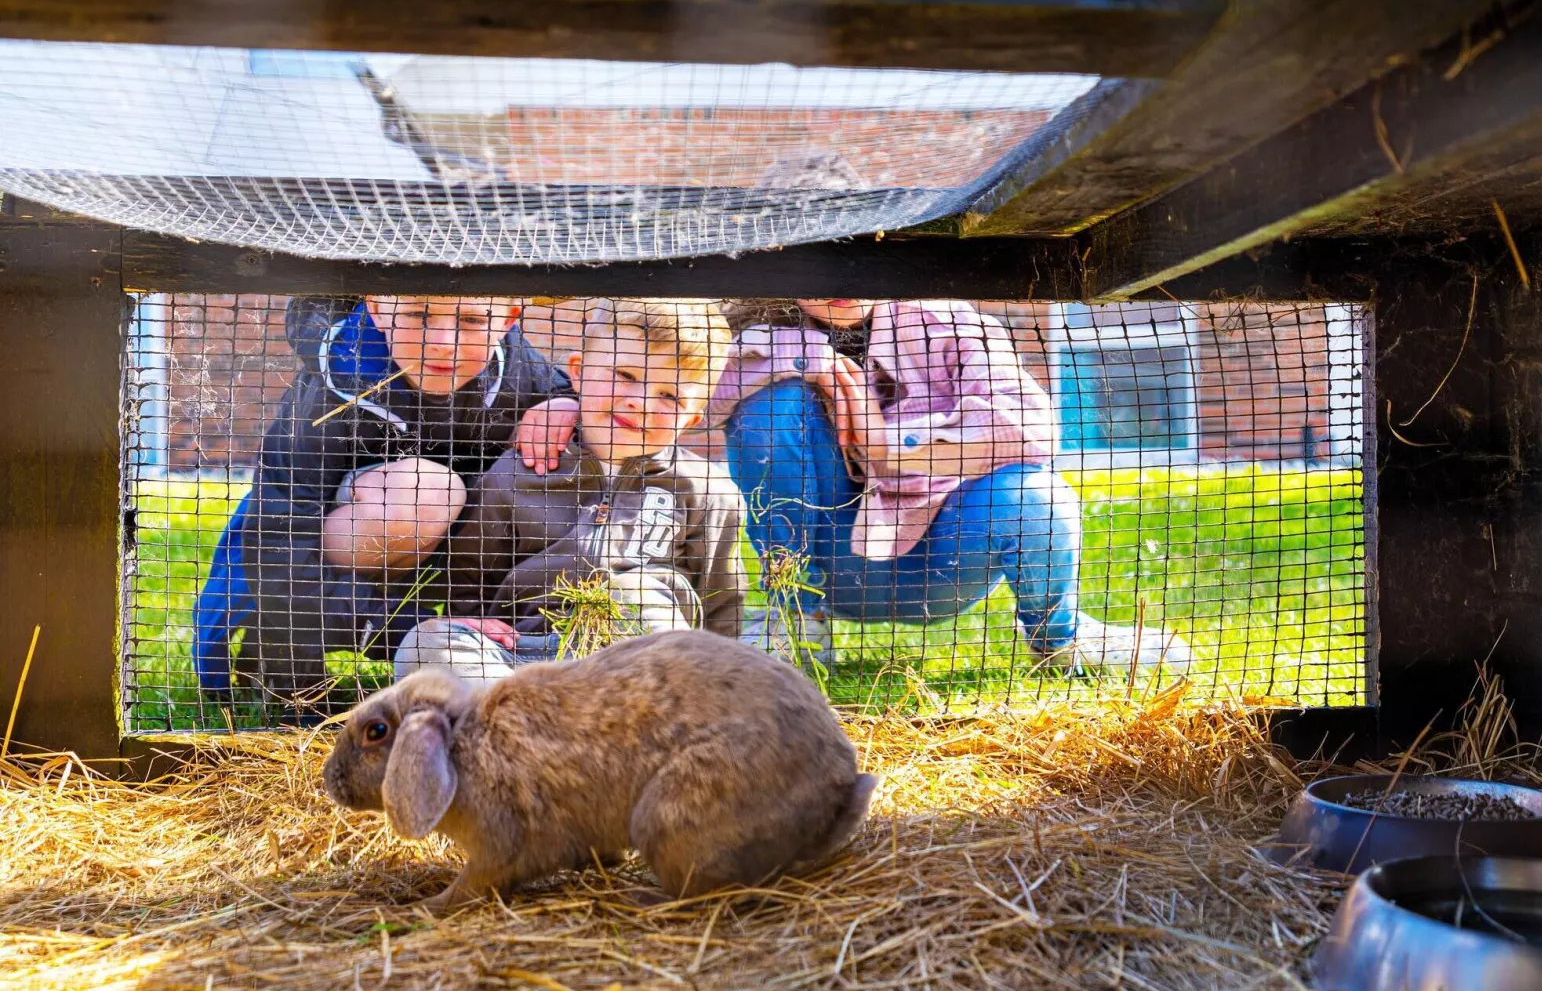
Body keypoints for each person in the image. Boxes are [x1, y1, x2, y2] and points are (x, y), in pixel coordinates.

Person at [710, 296, 1193, 676]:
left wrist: (888, 447)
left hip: (941, 558)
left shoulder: (948, 321)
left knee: (1034, 491)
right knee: (771, 408)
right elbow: (701, 401)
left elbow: (1030, 428)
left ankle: (1059, 639)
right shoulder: (758, 329)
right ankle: (792, 621)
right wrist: (807, 359)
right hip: (830, 561)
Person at [191, 295, 580, 719]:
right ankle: (285, 656)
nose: (443, 343)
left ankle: (505, 647)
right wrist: (407, 628)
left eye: (471, 319)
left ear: (507, 320)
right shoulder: (332, 384)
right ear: (377, 309)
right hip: (321, 560)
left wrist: (561, 404)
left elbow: (573, 394)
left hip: (455, 555)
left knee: (542, 463)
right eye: (419, 315)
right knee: (428, 492)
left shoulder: (515, 365)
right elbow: (278, 549)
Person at [393, 297, 748, 687]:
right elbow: (471, 576)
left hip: (637, 659)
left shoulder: (708, 491)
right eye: (625, 376)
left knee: (636, 597)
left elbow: (719, 596)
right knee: (428, 643)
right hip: (524, 656)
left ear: (693, 418)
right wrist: (475, 629)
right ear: (577, 372)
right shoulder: (516, 473)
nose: (641, 402)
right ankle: (514, 726)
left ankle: (617, 731)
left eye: (670, 396)